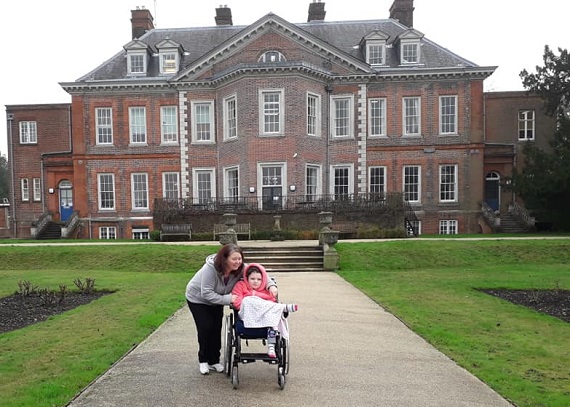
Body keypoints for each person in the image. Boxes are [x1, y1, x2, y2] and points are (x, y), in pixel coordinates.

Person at [185, 244, 278, 375]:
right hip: (198, 299)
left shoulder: (240, 268)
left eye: (240, 259)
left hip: (218, 299)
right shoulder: (210, 269)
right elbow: (206, 293)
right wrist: (228, 299)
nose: (238, 262)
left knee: (216, 327)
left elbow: (259, 273)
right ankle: (203, 360)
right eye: (234, 259)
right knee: (205, 327)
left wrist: (271, 286)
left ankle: (214, 360)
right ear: (225, 259)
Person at [232, 263, 298, 358]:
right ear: (246, 278)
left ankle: (271, 347)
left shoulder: (266, 290)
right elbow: (237, 302)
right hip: (246, 315)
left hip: (264, 317)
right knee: (248, 300)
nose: (255, 282)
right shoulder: (240, 286)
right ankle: (283, 307)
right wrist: (254, 303)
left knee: (271, 314)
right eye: (252, 279)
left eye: (259, 279)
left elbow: (271, 303)